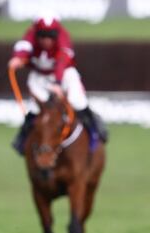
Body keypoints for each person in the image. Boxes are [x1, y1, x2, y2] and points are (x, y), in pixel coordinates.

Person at [9, 15, 107, 154]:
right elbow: (23, 46)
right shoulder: (31, 34)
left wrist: (58, 83)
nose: (46, 40)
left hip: (64, 74)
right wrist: (18, 58)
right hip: (40, 76)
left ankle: (95, 130)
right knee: (36, 109)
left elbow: (62, 60)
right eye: (42, 35)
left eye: (50, 36)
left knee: (77, 101)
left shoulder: (63, 37)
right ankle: (23, 138)